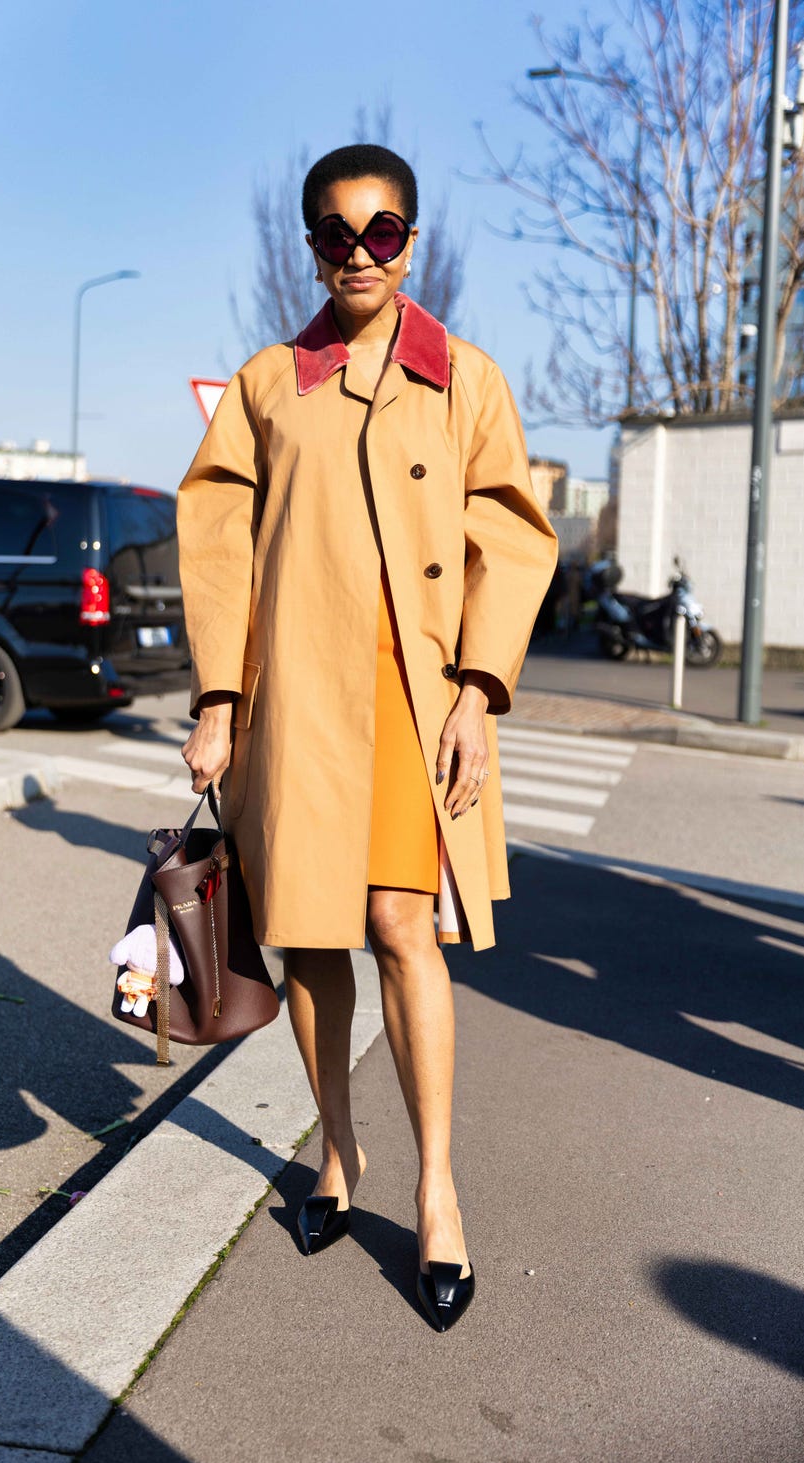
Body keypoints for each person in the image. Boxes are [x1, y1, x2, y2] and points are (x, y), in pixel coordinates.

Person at [178, 143, 557, 1332]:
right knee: (305, 940)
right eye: (336, 232)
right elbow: (219, 543)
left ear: (413, 238)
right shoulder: (264, 385)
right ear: (308, 244)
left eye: (382, 230)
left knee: (401, 921)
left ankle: (435, 1190)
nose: (359, 251)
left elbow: (513, 535)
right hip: (291, 697)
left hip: (416, 695)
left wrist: (478, 692)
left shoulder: (467, 380)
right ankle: (335, 1153)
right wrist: (213, 700)